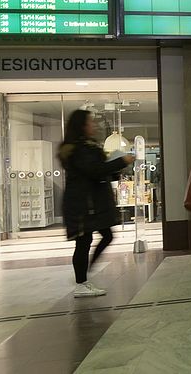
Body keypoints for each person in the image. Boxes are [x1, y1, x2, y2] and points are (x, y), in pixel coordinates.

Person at [59, 109, 135, 298]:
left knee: (106, 235)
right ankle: (81, 282)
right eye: (90, 122)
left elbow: (100, 171)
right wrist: (121, 161)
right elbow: (94, 170)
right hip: (82, 203)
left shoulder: (89, 146)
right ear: (82, 126)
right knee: (83, 241)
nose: (94, 125)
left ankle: (85, 275)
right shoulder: (78, 149)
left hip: (92, 202)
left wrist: (115, 169)